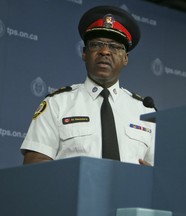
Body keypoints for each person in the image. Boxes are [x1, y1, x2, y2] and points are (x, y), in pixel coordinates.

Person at [20, 5, 156, 166]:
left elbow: (161, 171)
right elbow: (35, 164)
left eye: (114, 47)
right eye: (97, 44)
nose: (105, 51)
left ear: (125, 58)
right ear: (84, 53)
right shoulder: (57, 103)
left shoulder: (146, 111)